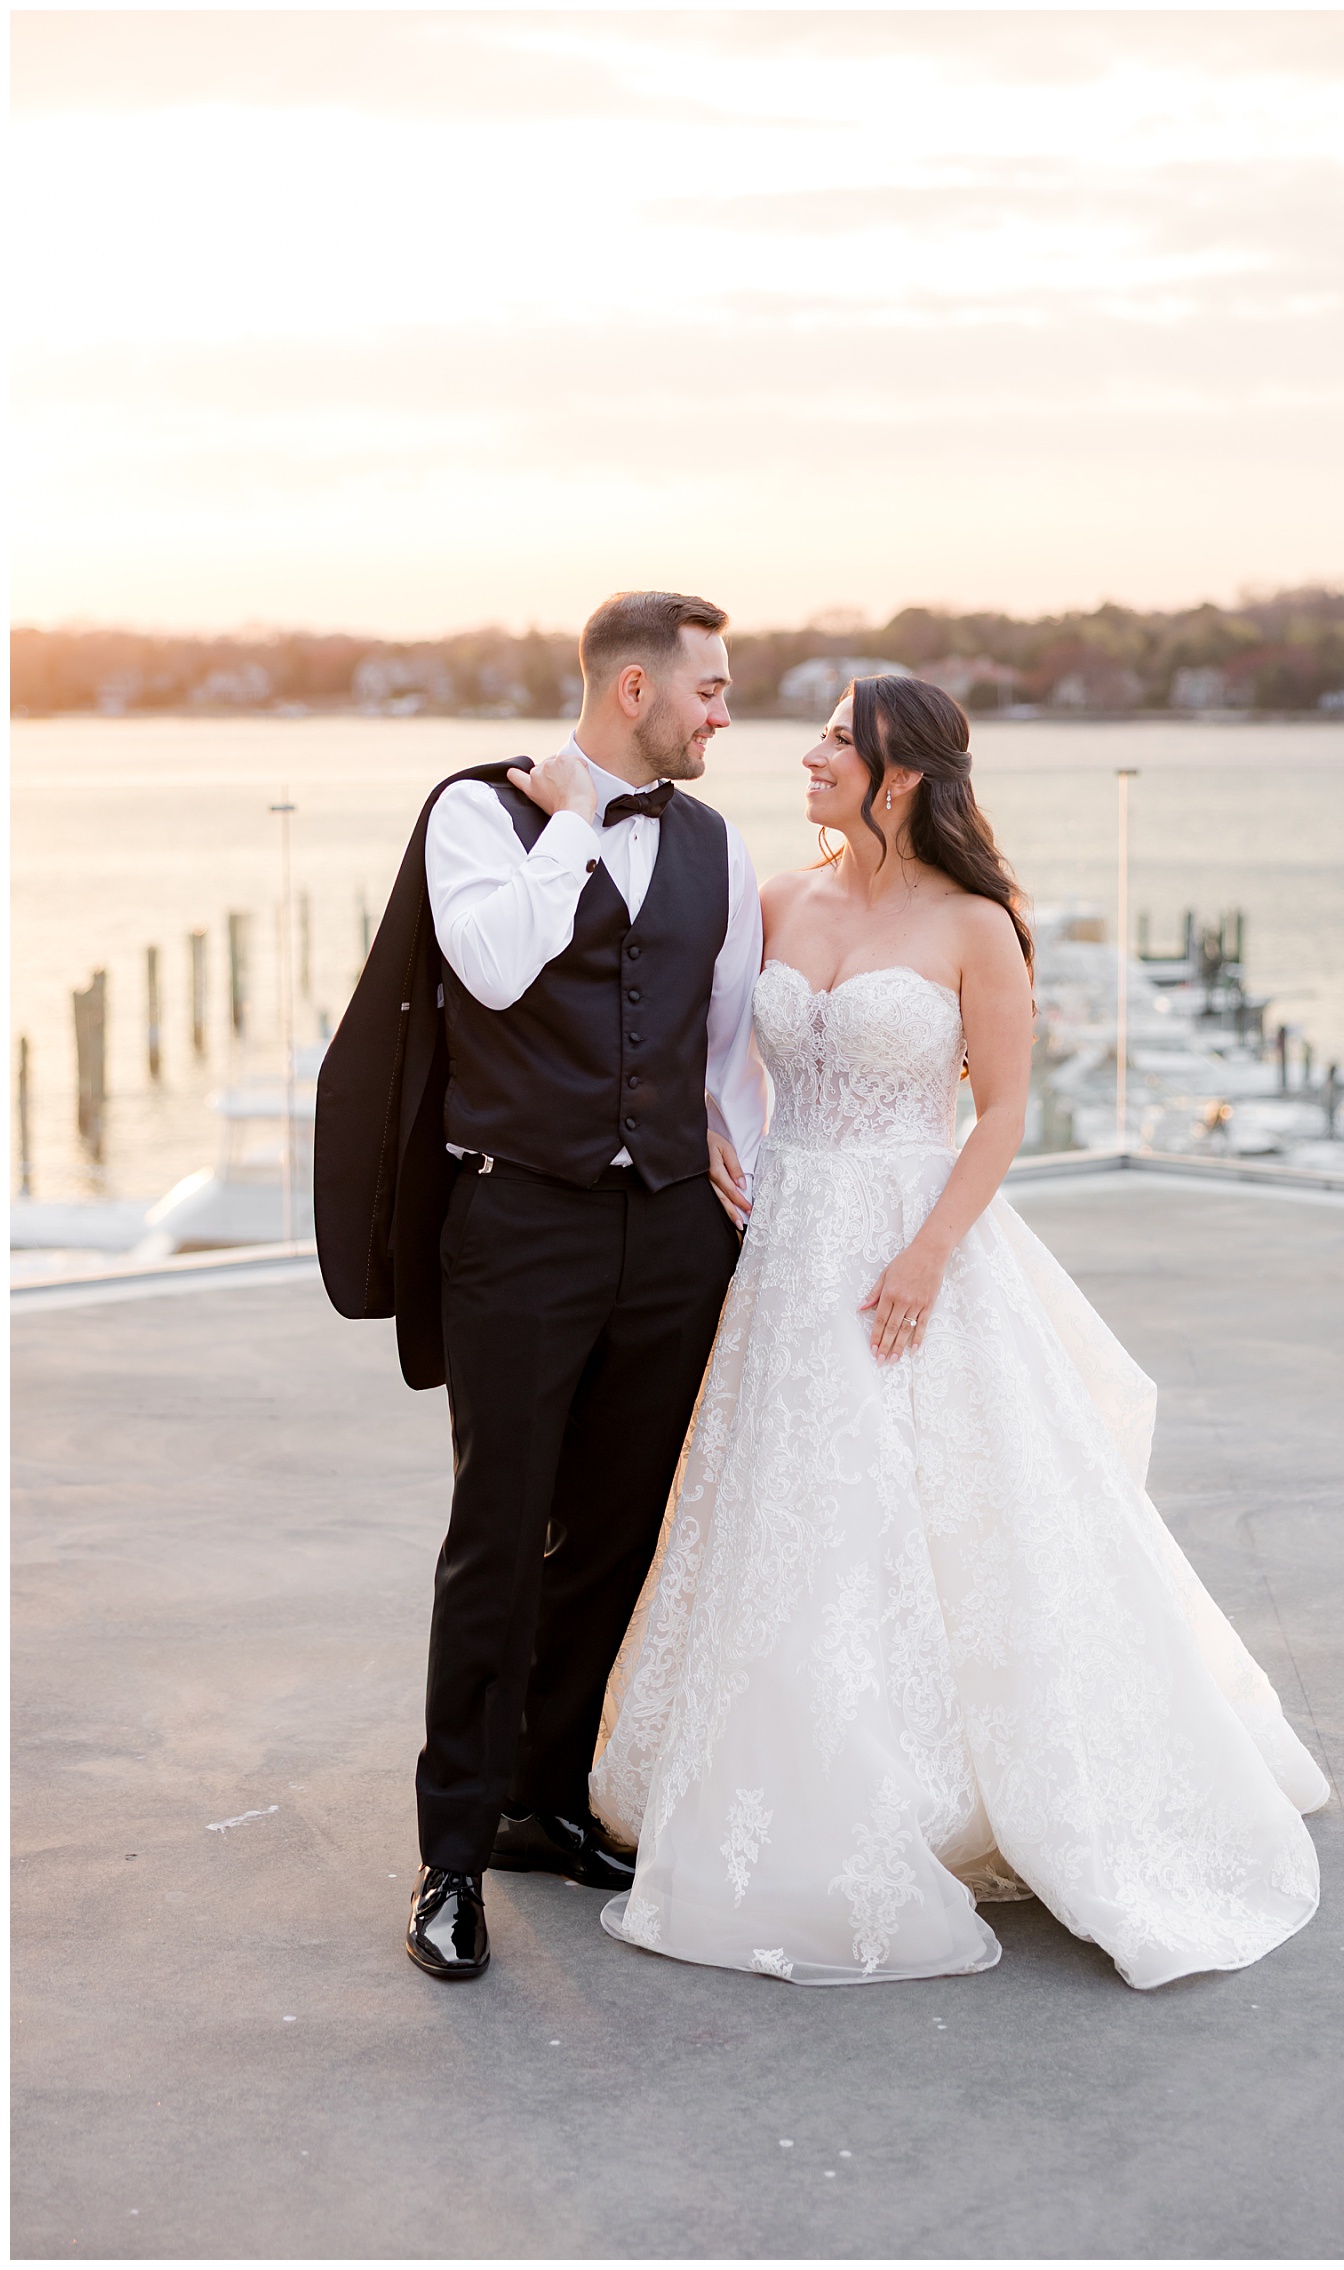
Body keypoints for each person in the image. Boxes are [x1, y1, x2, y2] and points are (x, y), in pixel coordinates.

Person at [591, 675, 1328, 1990]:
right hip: (788, 1247)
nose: (810, 754)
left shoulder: (977, 924)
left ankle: (960, 1788)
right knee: (791, 1504)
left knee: (943, 1508)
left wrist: (928, 1252)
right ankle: (779, 1768)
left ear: (903, 774)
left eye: (837, 739)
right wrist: (710, 1120)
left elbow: (1002, 1114)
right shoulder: (775, 900)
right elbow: (714, 1051)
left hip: (914, 1239)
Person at [314, 591, 766, 1981]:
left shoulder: (717, 844)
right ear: (635, 689)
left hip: (670, 1233)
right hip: (519, 1228)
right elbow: (498, 970)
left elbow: (724, 1038)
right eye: (709, 688)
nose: (724, 712)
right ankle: (452, 1854)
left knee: (618, 1534)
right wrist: (570, 824)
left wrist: (727, 1166)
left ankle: (541, 1797)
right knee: (499, 1539)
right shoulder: (475, 813)